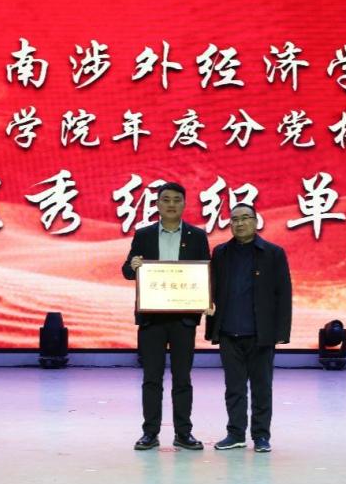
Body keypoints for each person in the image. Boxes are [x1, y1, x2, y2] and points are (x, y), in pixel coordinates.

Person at [122, 182, 211, 451]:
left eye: (176, 200)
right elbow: (127, 270)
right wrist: (133, 265)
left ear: (184, 204)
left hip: (183, 319)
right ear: (158, 204)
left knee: (182, 379)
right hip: (152, 319)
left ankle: (183, 433)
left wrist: (206, 299)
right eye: (166, 199)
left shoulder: (197, 236)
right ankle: (150, 433)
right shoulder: (144, 235)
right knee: (152, 378)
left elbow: (206, 272)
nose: (171, 204)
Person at [205, 203, 291, 453]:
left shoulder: (273, 253)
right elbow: (211, 287)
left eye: (245, 218)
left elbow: (283, 294)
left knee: (262, 388)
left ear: (256, 221)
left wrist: (281, 333)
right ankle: (235, 434)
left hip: (260, 333)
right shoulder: (220, 253)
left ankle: (261, 436)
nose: (240, 223)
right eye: (234, 219)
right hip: (228, 331)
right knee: (234, 388)